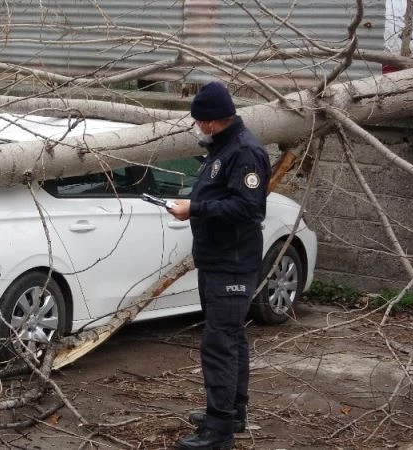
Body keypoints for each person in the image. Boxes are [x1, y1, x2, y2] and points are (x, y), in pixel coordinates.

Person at [167, 82, 270, 450]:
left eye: (199, 121)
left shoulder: (245, 153)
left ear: (212, 121)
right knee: (230, 339)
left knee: (219, 344)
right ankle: (230, 412)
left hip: (233, 263)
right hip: (217, 260)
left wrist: (194, 209)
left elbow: (249, 208)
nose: (197, 127)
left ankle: (218, 432)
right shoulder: (221, 149)